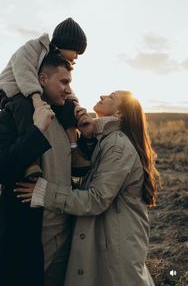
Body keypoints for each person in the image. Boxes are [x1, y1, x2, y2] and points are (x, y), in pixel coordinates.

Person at [16, 91, 161, 286]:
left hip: (116, 252)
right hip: (110, 243)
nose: (102, 96)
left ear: (119, 113)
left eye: (111, 96)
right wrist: (89, 136)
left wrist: (46, 193)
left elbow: (96, 199)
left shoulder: (117, 146)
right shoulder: (107, 141)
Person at [0, 52, 86, 286]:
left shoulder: (63, 121)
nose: (69, 90)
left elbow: (76, 169)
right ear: (42, 79)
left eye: (69, 83)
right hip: (25, 243)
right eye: (63, 82)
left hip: (64, 240)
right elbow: (0, 167)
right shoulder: (9, 118)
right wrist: (36, 130)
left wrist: (87, 135)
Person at [0, 17, 90, 179]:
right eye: (76, 51)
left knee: (67, 106)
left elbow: (64, 87)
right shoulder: (34, 47)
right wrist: (37, 100)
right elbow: (24, 72)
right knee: (24, 107)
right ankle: (31, 161)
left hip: (35, 92)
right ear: (67, 44)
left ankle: (74, 150)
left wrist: (74, 105)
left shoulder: (55, 63)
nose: (77, 56)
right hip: (12, 90)